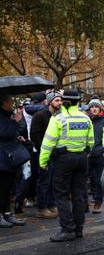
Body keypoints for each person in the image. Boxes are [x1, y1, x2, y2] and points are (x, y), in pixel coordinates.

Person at [39, 90, 93, 241]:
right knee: (78, 195)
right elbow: (91, 142)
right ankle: (78, 229)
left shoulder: (58, 118)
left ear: (65, 101)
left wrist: (43, 161)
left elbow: (48, 142)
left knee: (61, 195)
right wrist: (83, 154)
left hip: (63, 160)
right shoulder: (85, 118)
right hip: (81, 158)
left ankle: (67, 229)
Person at [30, 91, 62, 219]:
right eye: (56, 100)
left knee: (53, 181)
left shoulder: (60, 116)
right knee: (44, 181)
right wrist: (44, 150)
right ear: (49, 102)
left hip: (56, 154)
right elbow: (34, 135)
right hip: (44, 153)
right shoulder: (39, 116)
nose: (59, 103)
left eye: (60, 100)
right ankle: (42, 208)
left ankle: (51, 204)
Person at [0, 94, 28, 228]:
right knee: (2, 187)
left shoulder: (7, 115)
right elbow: (4, 132)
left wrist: (18, 136)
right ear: (3, 103)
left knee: (8, 188)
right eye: (9, 100)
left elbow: (12, 132)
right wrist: (15, 122)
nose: (11, 103)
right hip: (2, 157)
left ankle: (7, 213)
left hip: (10, 157)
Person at [87, 100, 104, 213]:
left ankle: (98, 201)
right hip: (87, 154)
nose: (94, 109)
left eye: (96, 107)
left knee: (99, 179)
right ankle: (89, 199)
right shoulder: (87, 120)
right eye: (92, 107)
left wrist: (102, 150)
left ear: (100, 108)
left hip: (100, 154)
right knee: (90, 178)